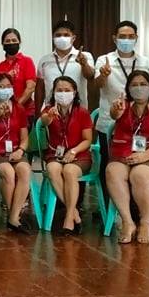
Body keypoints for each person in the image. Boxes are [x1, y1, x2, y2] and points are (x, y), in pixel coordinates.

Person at [105, 70, 149, 244]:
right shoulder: (123, 106)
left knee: (140, 175)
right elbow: (114, 115)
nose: (139, 88)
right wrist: (115, 110)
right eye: (134, 85)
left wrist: (144, 156)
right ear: (128, 88)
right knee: (112, 172)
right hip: (124, 154)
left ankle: (145, 221)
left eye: (143, 84)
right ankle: (127, 221)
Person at [93, 21, 149, 178]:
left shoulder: (146, 62)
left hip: (139, 123)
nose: (126, 40)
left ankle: (133, 194)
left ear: (136, 38)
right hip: (110, 121)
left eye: (131, 36)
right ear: (115, 38)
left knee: (136, 162)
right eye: (122, 36)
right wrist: (104, 75)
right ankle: (108, 194)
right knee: (109, 164)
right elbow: (97, 85)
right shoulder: (104, 60)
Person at [39, 76, 94, 235]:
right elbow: (44, 121)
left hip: (79, 155)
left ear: (74, 92)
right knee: (53, 169)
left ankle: (69, 217)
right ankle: (74, 212)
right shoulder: (49, 110)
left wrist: (74, 151)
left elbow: (88, 140)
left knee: (69, 171)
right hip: (55, 155)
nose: (63, 93)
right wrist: (49, 117)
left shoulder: (82, 112)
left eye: (67, 90)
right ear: (54, 93)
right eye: (59, 90)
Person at [0, 74, 33, 233]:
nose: (5, 89)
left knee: (25, 170)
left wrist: (20, 150)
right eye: (1, 87)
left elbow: (25, 138)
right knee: (8, 172)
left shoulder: (19, 108)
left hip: (14, 151)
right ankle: (14, 216)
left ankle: (13, 218)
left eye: (8, 86)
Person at [34, 20, 96, 111]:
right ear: (53, 38)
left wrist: (84, 64)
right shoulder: (44, 60)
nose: (62, 38)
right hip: (51, 112)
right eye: (58, 35)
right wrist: (37, 112)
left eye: (66, 35)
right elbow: (39, 89)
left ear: (73, 38)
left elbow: (90, 76)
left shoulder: (84, 56)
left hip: (78, 110)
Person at [0, 28, 36, 118]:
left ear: (19, 42)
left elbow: (31, 87)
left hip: (25, 111)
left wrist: (16, 107)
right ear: (3, 44)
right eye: (7, 41)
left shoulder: (27, 61)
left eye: (14, 40)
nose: (11, 43)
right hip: (4, 112)